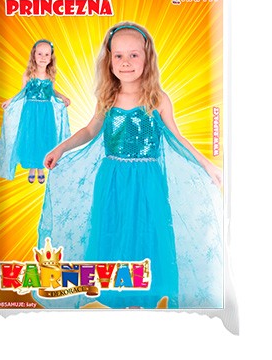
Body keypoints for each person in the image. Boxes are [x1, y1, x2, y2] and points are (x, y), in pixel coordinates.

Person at [38, 22, 222, 309]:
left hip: (148, 181)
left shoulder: (158, 99)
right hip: (112, 179)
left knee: (147, 231)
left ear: (147, 58)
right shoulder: (108, 98)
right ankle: (118, 295)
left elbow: (177, 138)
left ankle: (141, 297)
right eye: (119, 56)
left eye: (134, 55)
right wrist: (60, 148)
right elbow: (89, 131)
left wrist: (206, 164)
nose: (125, 62)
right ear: (109, 61)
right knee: (112, 229)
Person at [0, 39, 70, 183]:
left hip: (46, 112)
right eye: (39, 54)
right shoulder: (28, 74)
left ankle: (40, 167)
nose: (43, 58)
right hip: (30, 112)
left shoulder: (50, 75)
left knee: (43, 137)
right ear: (34, 55)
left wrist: (63, 97)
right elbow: (22, 92)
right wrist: (10, 101)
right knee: (31, 137)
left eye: (46, 55)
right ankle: (32, 167)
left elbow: (51, 91)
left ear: (51, 57)